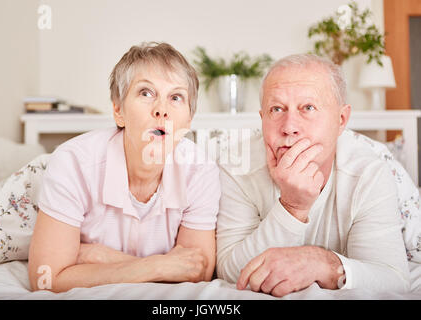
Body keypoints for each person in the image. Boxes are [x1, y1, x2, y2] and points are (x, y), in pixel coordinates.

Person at [28, 42, 220, 292]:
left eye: (176, 97)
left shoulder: (201, 170)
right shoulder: (72, 162)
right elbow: (45, 278)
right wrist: (156, 267)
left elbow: (198, 270)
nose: (161, 110)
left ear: (188, 120)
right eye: (146, 93)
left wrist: (99, 258)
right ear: (118, 111)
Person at [215, 54, 410, 297]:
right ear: (262, 118)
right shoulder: (236, 168)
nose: (289, 126)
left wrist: (323, 264)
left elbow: (394, 279)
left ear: (341, 120)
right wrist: (292, 207)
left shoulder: (368, 173)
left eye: (308, 108)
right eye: (276, 109)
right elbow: (230, 272)